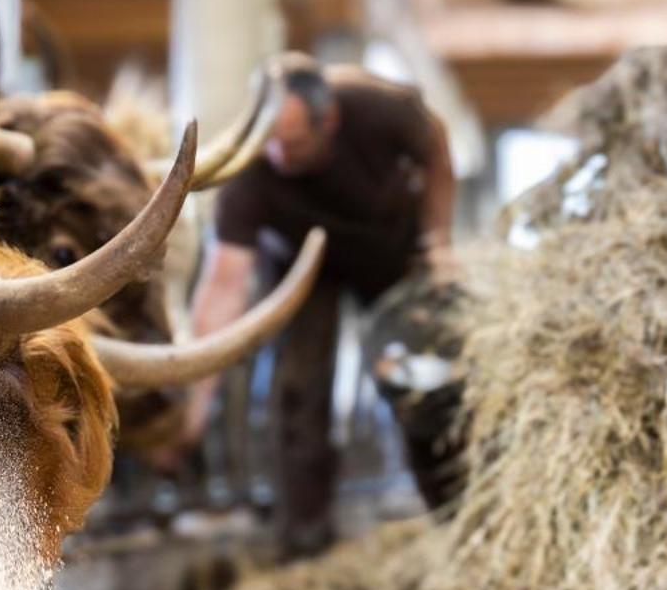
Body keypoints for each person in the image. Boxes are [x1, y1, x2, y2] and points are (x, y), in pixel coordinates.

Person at [170, 53, 454, 559]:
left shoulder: (377, 107)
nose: (280, 156)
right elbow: (223, 284)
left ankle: (453, 514)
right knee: (299, 390)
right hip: (306, 267)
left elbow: (436, 147)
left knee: (418, 379)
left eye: (294, 144)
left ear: (330, 123)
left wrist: (439, 242)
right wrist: (194, 404)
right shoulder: (252, 164)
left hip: (391, 249)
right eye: (271, 143)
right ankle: (305, 540)